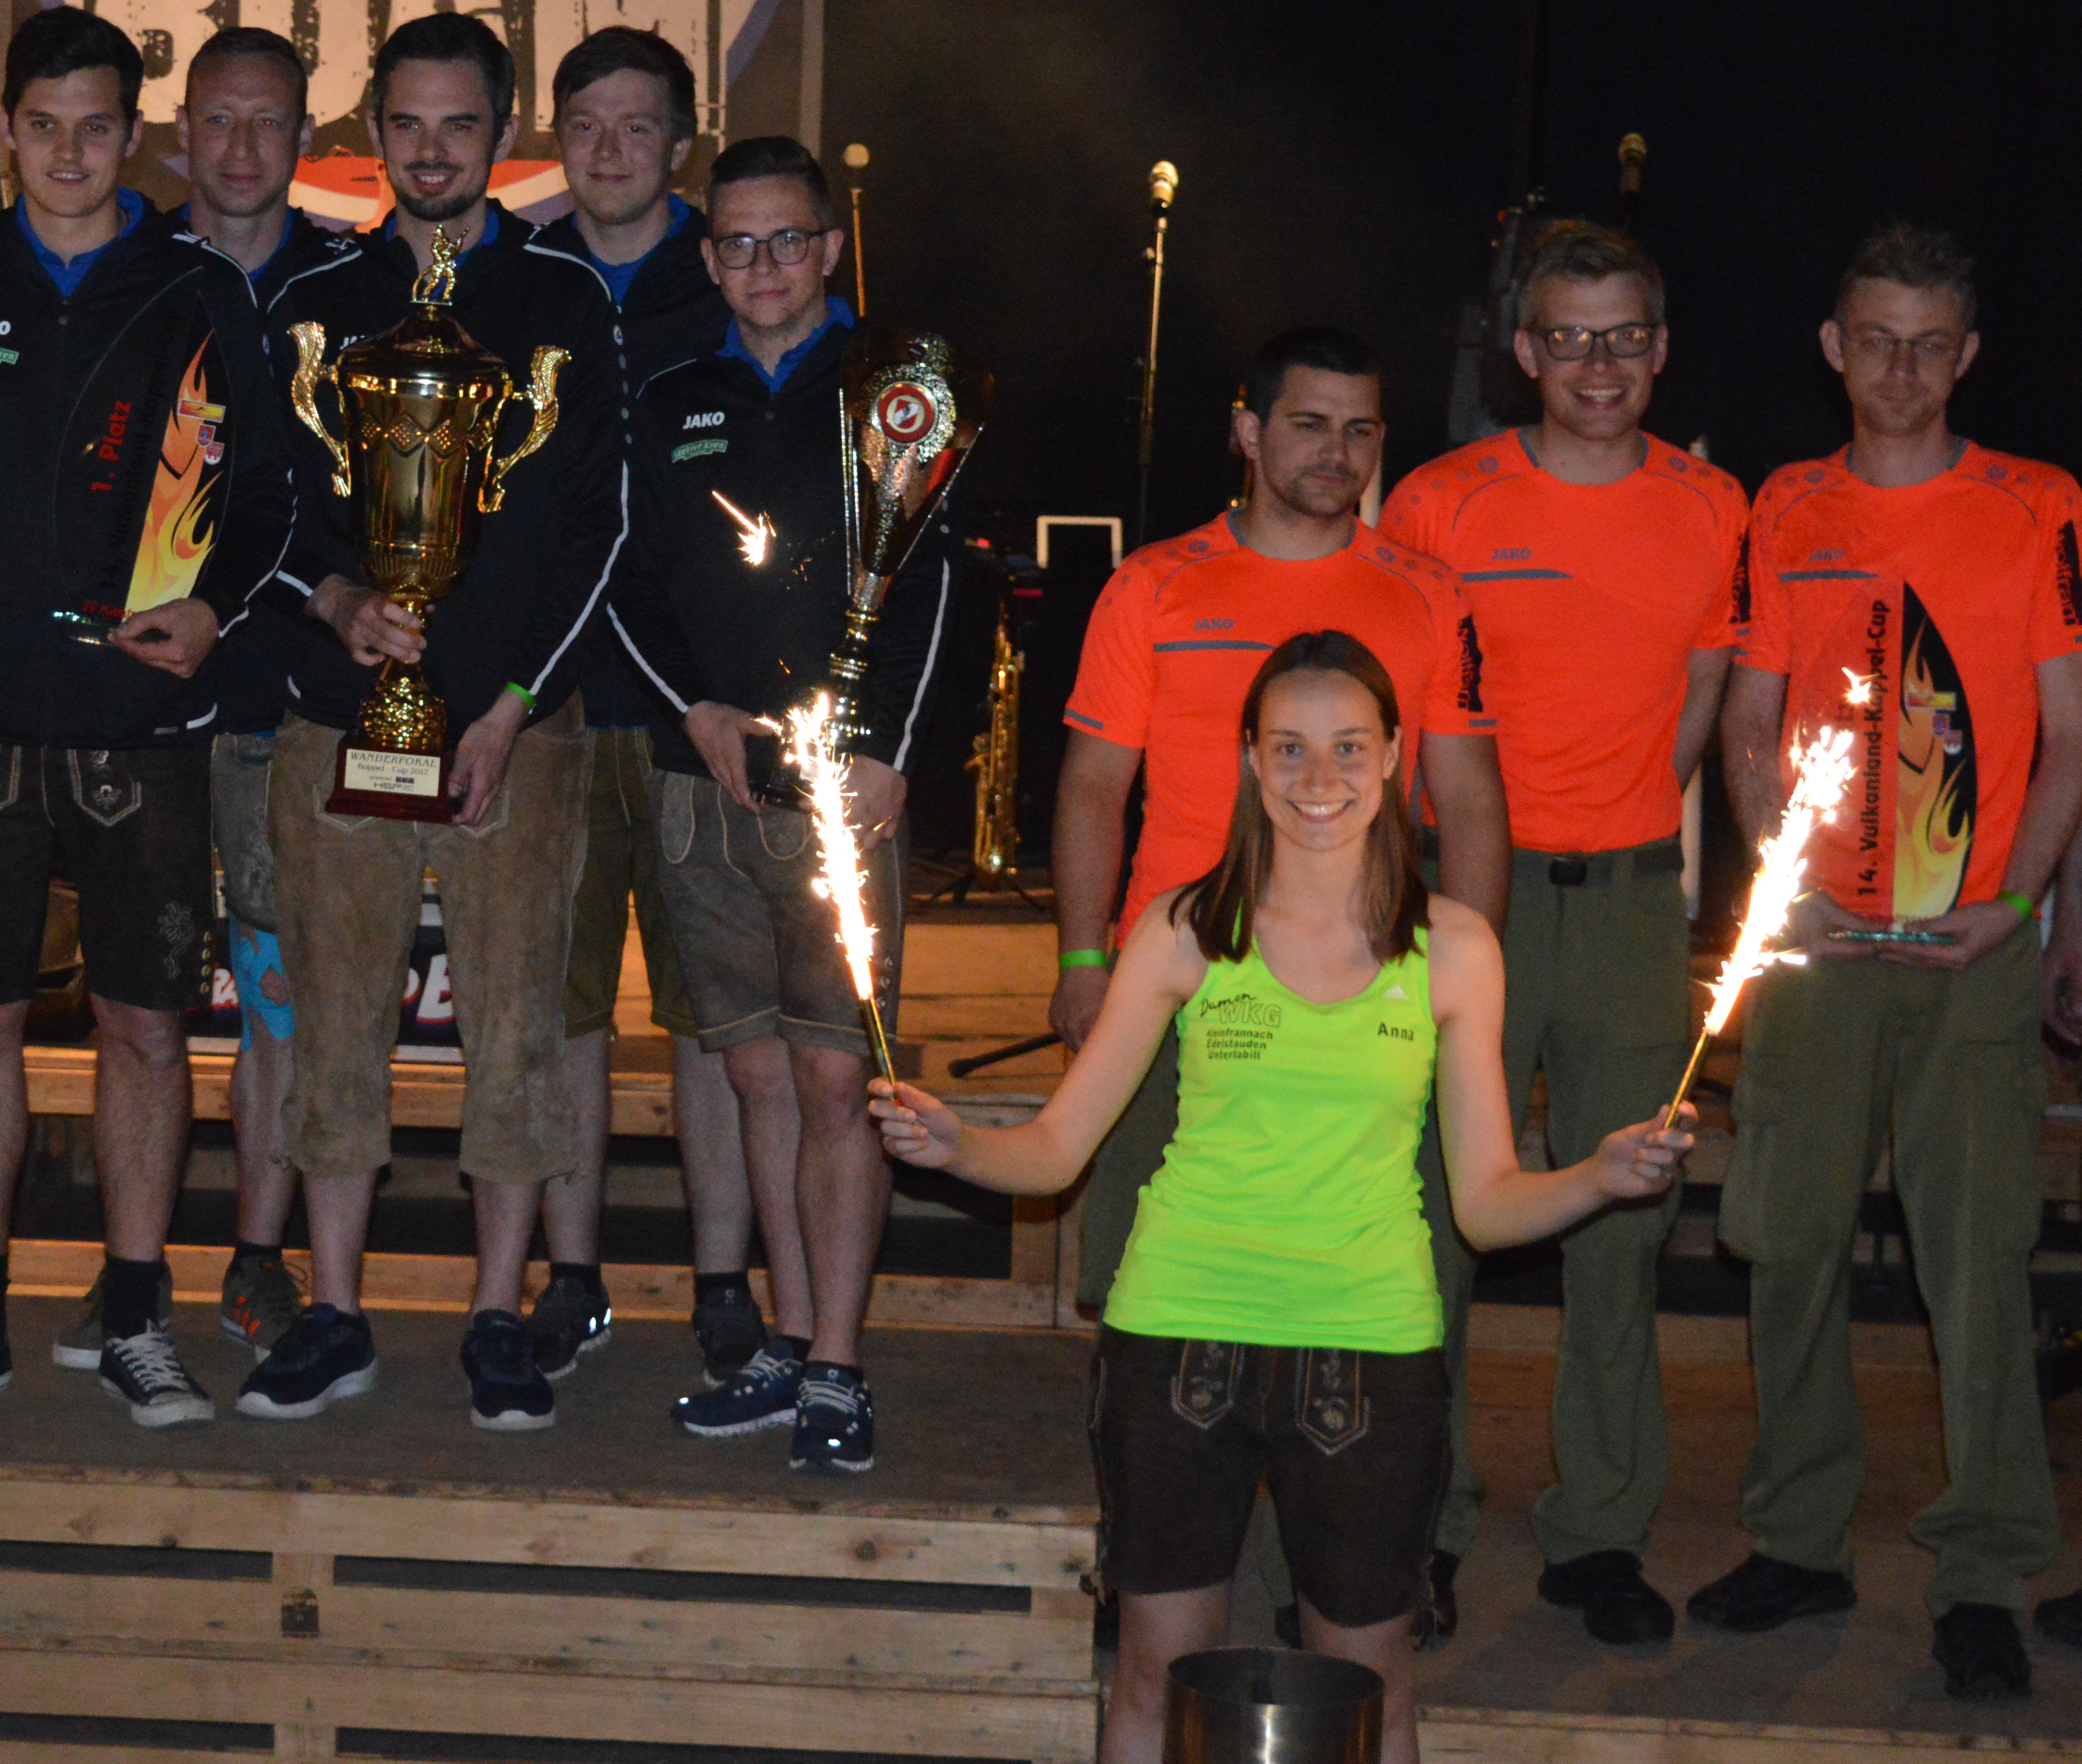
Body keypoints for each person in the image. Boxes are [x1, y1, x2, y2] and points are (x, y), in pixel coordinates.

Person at [874, 631, 1688, 1764]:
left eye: (1350, 747)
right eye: (1290, 747)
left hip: (1369, 1347)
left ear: (1396, 757)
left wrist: (1602, 1175)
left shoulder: (1455, 949)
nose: (1320, 777)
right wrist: (957, 1144)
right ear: (1251, 760)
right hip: (1179, 1335)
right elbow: (1056, 1152)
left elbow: (1488, 1204)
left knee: (1371, 1688)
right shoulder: (1183, 929)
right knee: (1155, 1677)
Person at [0, 8, 293, 1431]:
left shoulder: (198, 287)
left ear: (134, 136)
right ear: (5, 131)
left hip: (140, 722)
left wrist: (213, 609)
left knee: (144, 1028)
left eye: (96, 127)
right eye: (42, 126)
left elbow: (268, 493)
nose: (68, 154)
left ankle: (139, 1316)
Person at [1051, 324, 1508, 1631]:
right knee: (1148, 1279)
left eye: (1362, 430)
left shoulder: (1427, 592)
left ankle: (1381, 1562)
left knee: (1399, 1282)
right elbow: (1092, 786)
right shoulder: (1155, 586)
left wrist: (1464, 975)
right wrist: (1084, 959)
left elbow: (1471, 797)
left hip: (1363, 989)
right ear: (1249, 431)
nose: (1338, 452)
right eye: (1310, 423)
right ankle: (1153, 1557)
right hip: (1180, 983)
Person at [1703, 224, 2082, 1698]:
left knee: (1975, 1267)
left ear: (1968, 355)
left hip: (1971, 950)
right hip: (1820, 949)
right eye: (1876, 340)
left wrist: (2021, 903)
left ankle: (1984, 1569)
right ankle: (1799, 1540)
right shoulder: (1785, 506)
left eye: (1930, 344)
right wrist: (1780, 884)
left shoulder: (2039, 506)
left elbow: (2070, 737)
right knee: (1787, 1245)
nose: (1902, 369)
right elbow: (1749, 724)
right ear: (1833, 348)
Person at [240, 10, 624, 1430]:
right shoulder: (314, 298)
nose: (433, 149)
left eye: (461, 123)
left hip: (514, 734)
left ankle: (496, 1317)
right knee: (333, 1021)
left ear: (505, 133)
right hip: (338, 720)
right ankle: (335, 1312)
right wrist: (336, 600)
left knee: (515, 1029)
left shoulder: (566, 300)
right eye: (406, 123)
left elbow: (601, 528)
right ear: (372, 132)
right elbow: (252, 510)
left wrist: (514, 706)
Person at [1378, 220, 1744, 1644]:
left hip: (1632, 906)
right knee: (1434, 1219)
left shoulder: (1714, 508)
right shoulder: (1438, 503)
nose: (1601, 364)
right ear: (1524, 351)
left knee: (1625, 1225)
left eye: (1626, 336)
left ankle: (1600, 1534)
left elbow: (1703, 700)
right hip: (1467, 900)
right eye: (1572, 337)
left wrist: (1626, 824)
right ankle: (1419, 1525)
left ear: (1663, 349)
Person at [605, 137, 952, 1472]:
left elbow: (930, 582)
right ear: (708, 258)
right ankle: (791, 1344)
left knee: (835, 1074)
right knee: (752, 1067)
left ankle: (842, 1367)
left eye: (789, 240)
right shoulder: (671, 396)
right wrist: (690, 707)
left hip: (843, 791)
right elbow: (629, 581)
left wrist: (890, 751)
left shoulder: (894, 389)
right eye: (739, 243)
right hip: (704, 784)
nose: (765, 265)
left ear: (830, 248)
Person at [523, 26, 751, 1383]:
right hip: (548, 711)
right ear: (557, 141)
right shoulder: (517, 275)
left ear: (681, 144)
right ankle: (574, 1278)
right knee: (560, 1016)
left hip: (694, 717)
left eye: (638, 126)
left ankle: (723, 1281)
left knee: (713, 1021)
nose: (611, 151)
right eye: (586, 126)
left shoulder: (733, 278)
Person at [169, 24, 354, 1363]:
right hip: (130, 697)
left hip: (286, 703)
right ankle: (128, 1266)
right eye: (219, 120)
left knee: (278, 988)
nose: (242, 148)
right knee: (132, 1005)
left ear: (306, 138)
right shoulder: (124, 269)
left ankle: (255, 1257)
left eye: (269, 122)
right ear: (181, 131)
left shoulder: (353, 286)